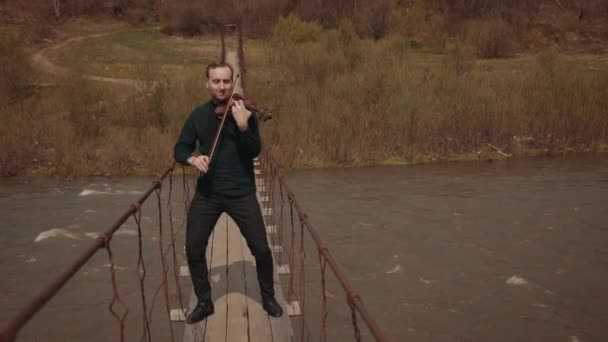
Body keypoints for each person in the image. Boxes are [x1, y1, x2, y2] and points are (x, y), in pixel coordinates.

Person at [174, 62, 283, 324]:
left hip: (242, 193)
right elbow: (180, 148)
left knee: (261, 249)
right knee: (193, 248)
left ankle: (268, 297)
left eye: (226, 81)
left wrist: (244, 126)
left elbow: (253, 151)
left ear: (232, 81)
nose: (222, 86)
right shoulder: (197, 116)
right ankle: (204, 302)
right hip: (208, 193)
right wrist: (192, 159)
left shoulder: (245, 113)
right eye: (216, 81)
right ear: (207, 83)